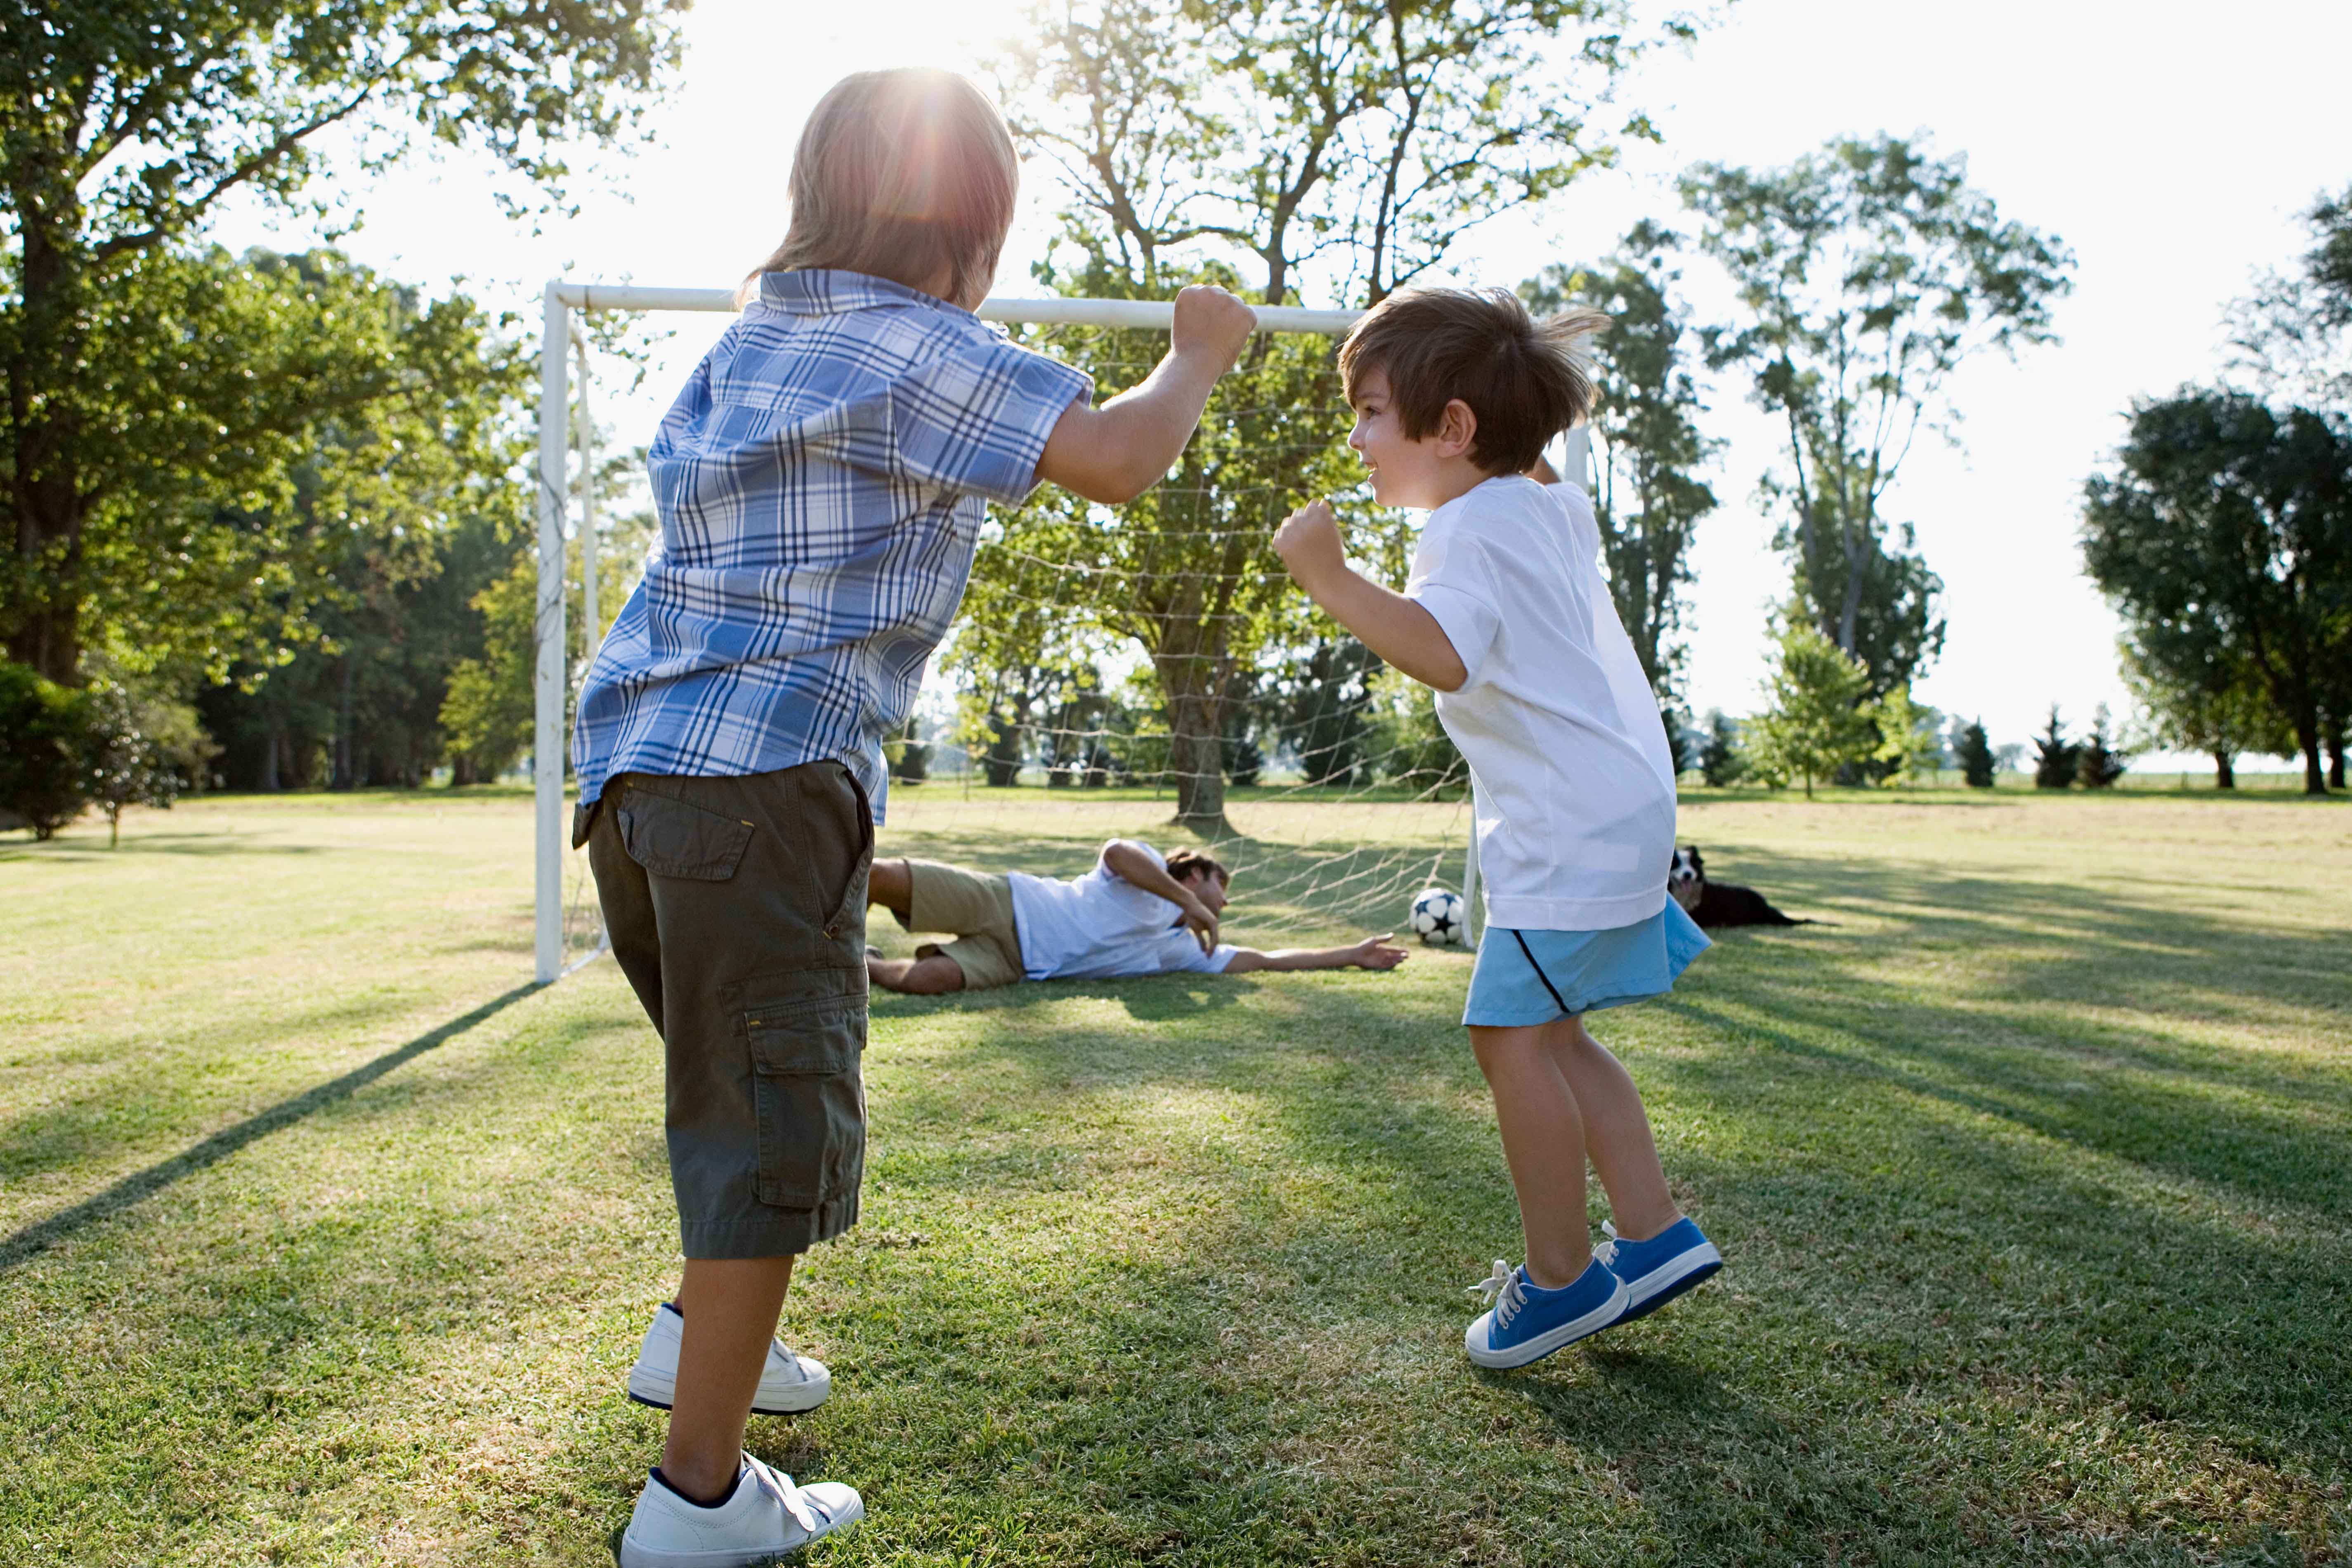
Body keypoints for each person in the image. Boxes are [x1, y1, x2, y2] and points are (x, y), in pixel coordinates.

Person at [570, 68, 1258, 1566]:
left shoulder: (758, 340)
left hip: (632, 784)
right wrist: (1200, 355)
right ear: (974, 228)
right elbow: (1121, 460)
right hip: (765, 781)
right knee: (773, 1130)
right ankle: (698, 1503)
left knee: (737, 1092)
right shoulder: (931, 345)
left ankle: (693, 1338)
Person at [1270, 286, 1719, 1371]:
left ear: (1455, 429)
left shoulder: (1466, 530)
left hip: (1564, 830)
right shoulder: (1540, 504)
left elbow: (1443, 652)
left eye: (1374, 411)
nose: (1357, 438)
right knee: (1557, 1035)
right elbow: (1533, 460)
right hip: (1619, 810)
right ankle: (1653, 1236)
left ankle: (1561, 1282)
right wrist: (1509, 367)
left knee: (1507, 1037)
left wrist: (1328, 578)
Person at [864, 841, 1409, 993]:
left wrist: (1351, 956)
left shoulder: (1184, 950)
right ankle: (810, 925)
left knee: (926, 979)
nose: (1226, 902)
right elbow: (1114, 853)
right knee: (881, 876)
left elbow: (1264, 959)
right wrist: (1188, 903)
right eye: (1223, 885)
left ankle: (857, 962)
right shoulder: (1148, 872)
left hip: (1016, 962)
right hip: (1010, 901)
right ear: (1194, 873)